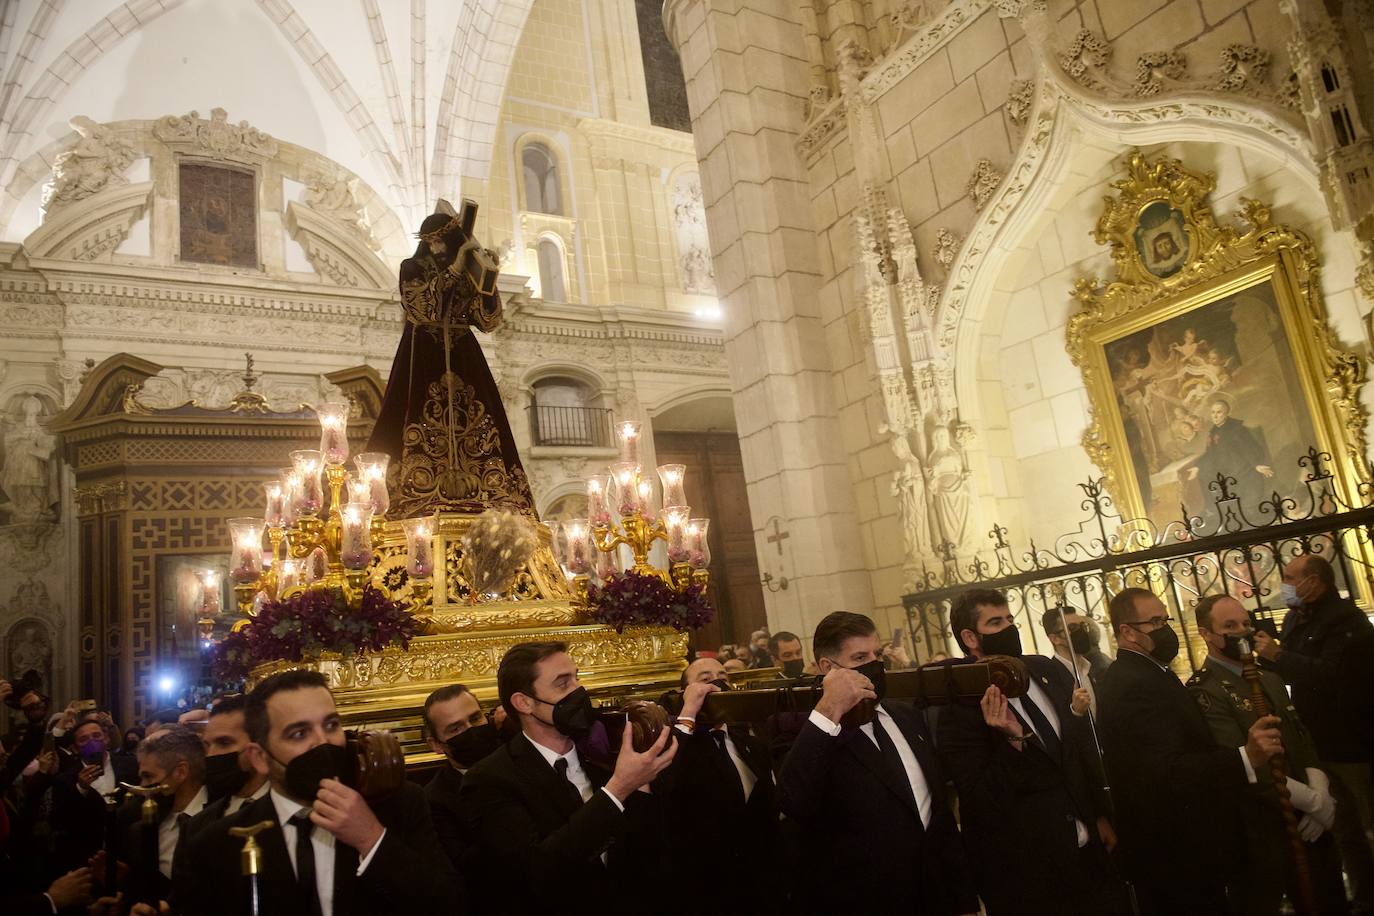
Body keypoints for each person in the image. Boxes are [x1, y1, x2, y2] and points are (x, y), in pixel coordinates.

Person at [176, 670, 461, 916]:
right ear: (261, 758)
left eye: (331, 725)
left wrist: (372, 840)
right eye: (299, 734)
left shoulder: (399, 805)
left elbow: (450, 906)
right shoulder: (215, 845)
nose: (323, 742)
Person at [1097, 587, 1283, 915]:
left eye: (1165, 618)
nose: (1166, 628)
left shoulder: (1151, 673)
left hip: (1188, 847)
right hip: (1172, 852)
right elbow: (1167, 770)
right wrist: (1244, 757)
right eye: (1155, 622)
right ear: (1127, 632)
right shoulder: (1131, 684)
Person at [777, 611, 977, 916]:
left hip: (934, 895)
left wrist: (963, 899)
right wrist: (829, 710)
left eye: (877, 653)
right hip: (862, 899)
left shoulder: (906, 715)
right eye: (860, 657)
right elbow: (793, 798)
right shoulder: (805, 728)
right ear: (828, 668)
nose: (875, 664)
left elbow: (937, 813)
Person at [939, 590, 1124, 915]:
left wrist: (1098, 815)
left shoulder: (1045, 670)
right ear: (970, 637)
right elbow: (980, 797)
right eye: (995, 623)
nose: (1009, 628)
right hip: (1028, 872)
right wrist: (1013, 744)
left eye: (1010, 619)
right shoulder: (959, 705)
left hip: (1087, 853)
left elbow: (1077, 750)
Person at [458, 641, 676, 916]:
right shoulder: (489, 779)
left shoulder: (605, 748)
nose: (578, 692)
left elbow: (651, 851)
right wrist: (619, 788)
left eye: (576, 678)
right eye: (563, 684)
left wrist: (643, 783)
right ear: (524, 702)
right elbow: (538, 870)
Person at [1188, 594, 1345, 914]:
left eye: (1246, 623)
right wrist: (1310, 802)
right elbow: (1244, 763)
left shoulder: (1269, 678)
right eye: (1229, 626)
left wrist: (1321, 793)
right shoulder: (1206, 691)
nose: (1242, 632)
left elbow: (1301, 740)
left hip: (1310, 826)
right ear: (1206, 633)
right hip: (1265, 831)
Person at [1254, 553, 1374, 913]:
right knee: (1344, 829)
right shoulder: (1293, 617)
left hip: (1352, 743)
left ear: (1314, 581)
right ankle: (1363, 898)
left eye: (1291, 577)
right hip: (1315, 739)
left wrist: (1279, 656)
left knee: (1366, 826)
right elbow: (1294, 672)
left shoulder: (1348, 623)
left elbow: (1335, 678)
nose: (1285, 582)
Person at [658, 657, 780, 910]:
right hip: (705, 886)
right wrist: (689, 711)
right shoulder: (675, 743)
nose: (716, 684)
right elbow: (666, 784)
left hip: (760, 884)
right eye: (705, 679)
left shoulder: (751, 739)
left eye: (723, 677)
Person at [421, 684, 498, 875]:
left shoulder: (519, 758)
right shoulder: (433, 801)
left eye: (475, 719)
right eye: (455, 729)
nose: (470, 730)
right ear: (436, 745)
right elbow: (465, 868)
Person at [1042, 606, 1100, 718]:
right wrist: (1076, 711)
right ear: (1055, 639)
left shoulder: (1090, 668)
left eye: (1082, 626)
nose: (1080, 631)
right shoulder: (1052, 676)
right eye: (1072, 628)